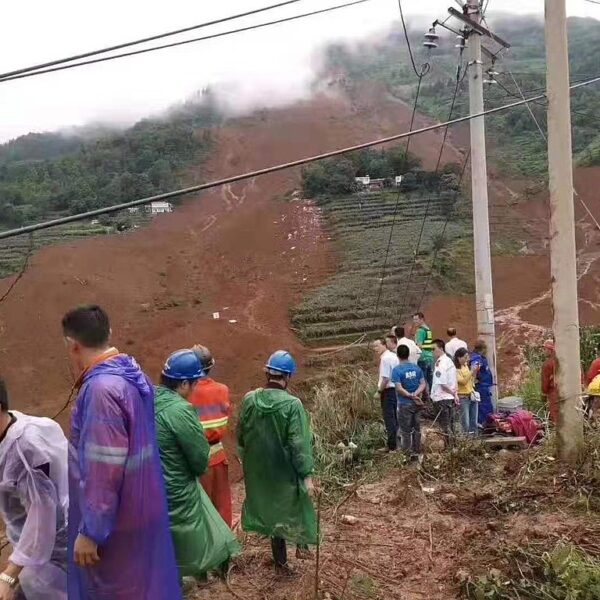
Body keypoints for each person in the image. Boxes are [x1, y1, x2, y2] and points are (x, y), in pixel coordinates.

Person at [62, 305, 181, 600]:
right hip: (142, 504)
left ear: (73, 346)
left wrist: (91, 530)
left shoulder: (102, 389)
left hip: (117, 520)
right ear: (109, 334)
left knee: (117, 590)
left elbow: (104, 466)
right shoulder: (133, 376)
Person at [154, 350, 240, 583]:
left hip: (153, 482)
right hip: (206, 462)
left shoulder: (149, 398)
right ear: (183, 383)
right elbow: (199, 458)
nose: (194, 389)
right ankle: (199, 572)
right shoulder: (185, 408)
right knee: (213, 514)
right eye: (192, 384)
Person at [237, 351, 317, 574]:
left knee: (272, 509)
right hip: (284, 469)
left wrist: (249, 459)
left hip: (259, 469)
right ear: (287, 377)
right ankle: (291, 554)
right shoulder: (292, 405)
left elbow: (241, 434)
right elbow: (298, 444)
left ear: (267, 373)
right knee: (292, 505)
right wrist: (306, 474)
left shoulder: (250, 399)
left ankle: (279, 558)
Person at [0, 379, 68, 600]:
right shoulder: (10, 423)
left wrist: (9, 576)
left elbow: (43, 517)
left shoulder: (26, 449)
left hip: (56, 554)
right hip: (31, 551)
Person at [189, 345, 233, 527]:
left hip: (194, 457)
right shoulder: (223, 389)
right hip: (218, 455)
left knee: (200, 510)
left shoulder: (185, 393)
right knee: (221, 506)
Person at [391, 345, 426, 459]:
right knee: (417, 428)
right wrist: (416, 394)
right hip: (417, 403)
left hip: (404, 404)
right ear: (408, 354)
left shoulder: (397, 370)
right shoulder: (416, 368)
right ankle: (417, 452)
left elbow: (399, 388)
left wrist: (410, 395)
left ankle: (406, 456)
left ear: (398, 355)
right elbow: (423, 384)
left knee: (405, 431)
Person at [374, 336, 400, 451]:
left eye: (377, 345)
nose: (375, 348)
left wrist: (379, 391)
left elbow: (385, 378)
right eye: (374, 346)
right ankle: (398, 443)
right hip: (396, 390)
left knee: (389, 418)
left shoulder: (385, 359)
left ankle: (392, 446)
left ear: (384, 345)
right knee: (396, 417)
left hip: (388, 391)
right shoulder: (394, 356)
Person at [431, 339, 458, 446]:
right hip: (449, 398)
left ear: (441, 348)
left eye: (434, 349)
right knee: (451, 426)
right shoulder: (449, 361)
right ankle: (454, 448)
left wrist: (452, 393)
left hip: (442, 398)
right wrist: (454, 394)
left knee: (444, 427)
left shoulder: (440, 363)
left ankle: (449, 449)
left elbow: (442, 383)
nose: (432, 352)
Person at [471, 339, 495, 426]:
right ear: (483, 349)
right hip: (481, 387)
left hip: (484, 386)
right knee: (484, 408)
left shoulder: (480, 357)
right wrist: (474, 378)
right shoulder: (477, 357)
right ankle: (484, 427)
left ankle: (486, 426)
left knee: (485, 407)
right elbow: (474, 367)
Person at [455, 347, 478, 435]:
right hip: (463, 397)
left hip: (471, 395)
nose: (467, 359)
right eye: (465, 357)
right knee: (466, 423)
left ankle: (475, 439)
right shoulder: (456, 369)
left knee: (474, 421)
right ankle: (467, 441)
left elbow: (471, 380)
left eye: (467, 357)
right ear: (459, 358)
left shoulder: (465, 366)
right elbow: (463, 382)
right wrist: (471, 371)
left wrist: (474, 372)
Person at [413, 312, 435, 391]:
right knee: (430, 380)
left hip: (422, 358)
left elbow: (419, 346)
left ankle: (424, 398)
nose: (414, 321)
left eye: (416, 319)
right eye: (414, 319)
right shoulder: (428, 329)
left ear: (422, 319)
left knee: (422, 380)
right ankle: (432, 397)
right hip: (430, 357)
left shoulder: (420, 331)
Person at [541, 339, 559, 423]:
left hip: (554, 392)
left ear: (550, 350)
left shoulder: (548, 364)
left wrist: (543, 394)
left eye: (545, 349)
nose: (544, 351)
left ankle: (557, 434)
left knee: (555, 414)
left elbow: (545, 381)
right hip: (568, 390)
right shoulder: (566, 360)